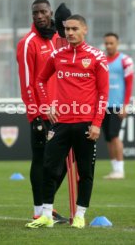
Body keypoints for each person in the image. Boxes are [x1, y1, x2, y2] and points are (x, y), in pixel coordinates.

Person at [25, 14, 109, 229]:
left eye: (74, 29)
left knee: (85, 172)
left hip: (85, 124)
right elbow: (40, 81)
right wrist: (46, 105)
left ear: (85, 30)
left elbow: (103, 93)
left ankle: (80, 215)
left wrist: (97, 122)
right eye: (67, 29)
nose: (70, 33)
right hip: (60, 123)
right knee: (48, 168)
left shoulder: (97, 57)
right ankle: (46, 215)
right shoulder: (57, 55)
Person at [16, 0, 71, 222]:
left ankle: (48, 206)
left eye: (43, 12)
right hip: (42, 113)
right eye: (35, 13)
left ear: (50, 13)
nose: (39, 16)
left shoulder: (59, 38)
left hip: (64, 112)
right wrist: (36, 114)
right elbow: (27, 83)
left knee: (65, 162)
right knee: (40, 160)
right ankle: (39, 211)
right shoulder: (28, 43)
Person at [102, 32, 134, 180]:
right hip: (103, 105)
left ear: (117, 43)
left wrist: (125, 105)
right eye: (106, 43)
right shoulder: (101, 60)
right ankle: (114, 169)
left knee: (115, 136)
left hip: (117, 105)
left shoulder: (125, 60)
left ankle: (120, 169)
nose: (108, 46)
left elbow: (129, 84)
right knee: (108, 138)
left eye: (111, 43)